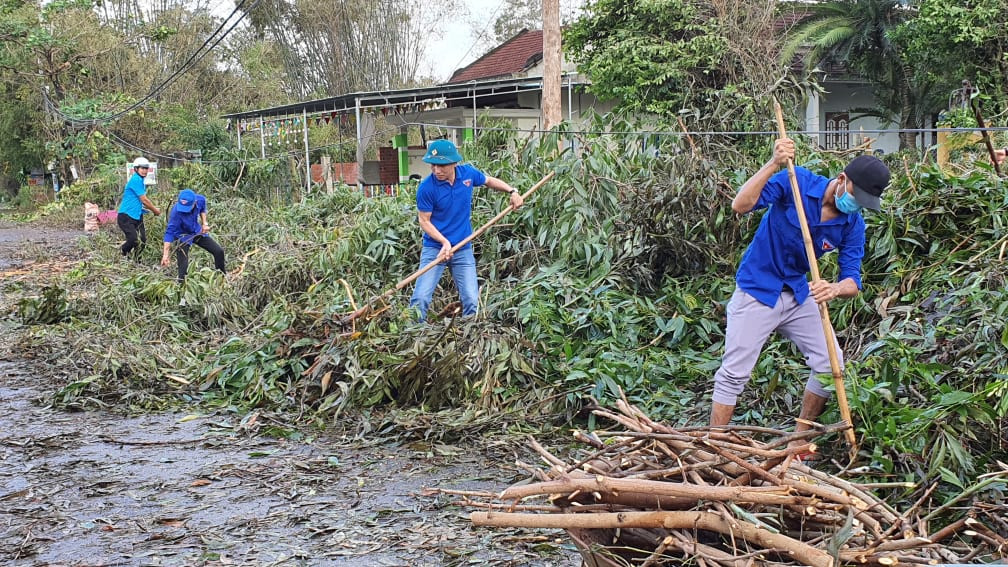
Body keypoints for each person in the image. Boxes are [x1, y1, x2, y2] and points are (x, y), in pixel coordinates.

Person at [709, 138, 890, 439]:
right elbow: (740, 205)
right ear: (842, 180)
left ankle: (799, 444)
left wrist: (834, 289)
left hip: (799, 293)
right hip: (758, 289)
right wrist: (773, 163)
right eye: (856, 198)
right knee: (734, 373)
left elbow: (852, 280)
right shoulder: (795, 181)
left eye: (863, 205)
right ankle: (714, 444)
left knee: (830, 365)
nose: (856, 207)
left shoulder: (852, 224)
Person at [409, 139, 523, 322]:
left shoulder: (467, 175)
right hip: (435, 250)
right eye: (433, 165)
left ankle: (470, 340)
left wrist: (512, 191)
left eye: (442, 166)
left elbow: (489, 181)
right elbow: (424, 221)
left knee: (471, 299)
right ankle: (413, 336)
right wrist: (444, 242)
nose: (436, 170)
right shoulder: (426, 188)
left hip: (462, 248)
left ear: (454, 163)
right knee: (420, 298)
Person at [160, 188, 226, 281]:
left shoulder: (200, 199)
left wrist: (204, 223)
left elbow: (203, 208)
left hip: (196, 231)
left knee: (218, 251)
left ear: (194, 202)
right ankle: (182, 287)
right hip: (182, 236)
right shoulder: (176, 212)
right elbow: (169, 233)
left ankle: (222, 278)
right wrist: (165, 255)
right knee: (183, 268)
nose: (184, 210)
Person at [117, 157, 161, 258]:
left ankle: (136, 260)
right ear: (136, 169)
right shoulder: (136, 180)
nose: (145, 171)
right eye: (142, 168)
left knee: (142, 241)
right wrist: (155, 211)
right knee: (133, 239)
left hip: (137, 215)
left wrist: (144, 210)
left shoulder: (140, 181)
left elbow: (137, 200)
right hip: (126, 216)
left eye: (146, 168)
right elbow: (144, 200)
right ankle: (123, 252)